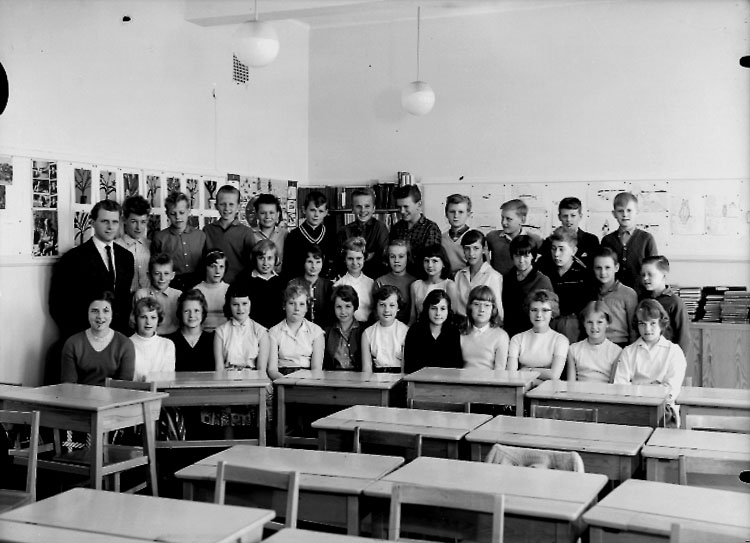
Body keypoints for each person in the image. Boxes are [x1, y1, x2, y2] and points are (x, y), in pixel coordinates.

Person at [50, 199, 135, 338]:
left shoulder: (126, 257)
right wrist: (79, 338)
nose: (110, 227)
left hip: (117, 336)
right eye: (104, 221)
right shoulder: (73, 258)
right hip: (84, 336)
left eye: (114, 222)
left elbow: (124, 300)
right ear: (93, 222)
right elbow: (57, 304)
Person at [614, 299, 687, 426]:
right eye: (642, 323)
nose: (647, 329)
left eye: (652, 323)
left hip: (664, 411)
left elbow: (671, 391)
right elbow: (620, 388)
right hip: (634, 408)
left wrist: (637, 387)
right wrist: (655, 387)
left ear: (661, 323)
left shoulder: (674, 351)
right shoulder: (628, 352)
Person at [60, 291, 135, 385]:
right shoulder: (72, 343)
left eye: (106, 311)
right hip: (79, 394)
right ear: (87, 313)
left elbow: (124, 387)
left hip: (114, 395)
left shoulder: (125, 344)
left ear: (112, 314)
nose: (100, 316)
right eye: (95, 311)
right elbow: (68, 386)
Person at [539, 227, 595, 343]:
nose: (556, 254)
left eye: (561, 249)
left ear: (573, 251)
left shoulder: (584, 273)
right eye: (553, 249)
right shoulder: (543, 267)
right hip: (546, 319)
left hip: (572, 324)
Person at [507, 289, 569, 385]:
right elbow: (511, 374)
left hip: (549, 390)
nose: (539, 315)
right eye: (534, 310)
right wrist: (540, 377)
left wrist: (529, 371)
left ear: (552, 313)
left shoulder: (560, 340)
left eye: (545, 310)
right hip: (521, 388)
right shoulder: (517, 339)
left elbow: (554, 375)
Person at [601, 192, 658, 291]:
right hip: (613, 294)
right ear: (614, 214)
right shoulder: (607, 240)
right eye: (620, 211)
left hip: (641, 294)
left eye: (629, 210)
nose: (625, 214)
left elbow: (654, 271)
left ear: (637, 212)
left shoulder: (647, 239)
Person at [267, 282, 325, 379]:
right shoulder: (274, 332)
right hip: (281, 377)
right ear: (284, 306)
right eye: (292, 303)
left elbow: (316, 368)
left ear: (307, 308)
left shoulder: (316, 331)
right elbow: (272, 370)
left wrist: (302, 383)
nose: (297, 308)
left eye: (301, 304)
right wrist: (285, 382)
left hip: (308, 378)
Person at [151, 191, 206, 291]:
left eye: (181, 212)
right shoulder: (160, 238)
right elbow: (155, 267)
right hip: (171, 285)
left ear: (188, 211)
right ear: (167, 214)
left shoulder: (200, 236)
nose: (177, 217)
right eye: (173, 213)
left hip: (198, 284)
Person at [502, 235, 553, 338]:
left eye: (526, 256)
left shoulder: (542, 281)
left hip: (533, 334)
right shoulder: (505, 278)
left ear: (533, 256)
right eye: (517, 256)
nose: (521, 260)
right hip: (508, 332)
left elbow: (548, 313)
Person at [203, 185, 255, 284]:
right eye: (222, 204)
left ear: (238, 206)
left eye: (231, 204)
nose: (227, 208)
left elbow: (251, 264)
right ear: (216, 206)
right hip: (213, 284)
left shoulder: (246, 232)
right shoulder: (207, 230)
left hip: (238, 285)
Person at [639, 256, 690, 356]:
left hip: (666, 356)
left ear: (664, 275)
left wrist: (678, 359)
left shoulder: (675, 302)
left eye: (650, 274)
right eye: (643, 274)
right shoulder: (642, 299)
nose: (645, 278)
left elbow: (683, 337)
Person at [213, 283, 270, 372]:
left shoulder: (261, 332)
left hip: (253, 378)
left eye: (244, 304)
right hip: (227, 377)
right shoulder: (221, 332)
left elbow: (261, 370)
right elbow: (219, 369)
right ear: (229, 305)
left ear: (251, 303)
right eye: (235, 304)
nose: (240, 309)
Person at [388, 185, 442, 278]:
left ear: (419, 204)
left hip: (421, 279)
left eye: (406, 206)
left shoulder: (430, 229)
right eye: (399, 207)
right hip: (398, 278)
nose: (402, 211)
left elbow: (431, 262)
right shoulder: (397, 227)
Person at [404, 289, 462, 373]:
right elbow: (409, 365)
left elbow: (456, 366)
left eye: (442, 309)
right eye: (433, 308)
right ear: (427, 309)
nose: (438, 313)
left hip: (446, 379)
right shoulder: (415, 330)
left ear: (448, 311)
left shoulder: (453, 332)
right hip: (419, 379)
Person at [282, 190, 336, 280]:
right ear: (304, 210)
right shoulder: (294, 236)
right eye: (312, 210)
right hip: (298, 284)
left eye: (321, 211)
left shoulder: (331, 235)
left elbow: (333, 264)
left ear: (326, 212)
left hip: (324, 284)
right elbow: (287, 268)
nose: (316, 215)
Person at [336, 187, 388, 279]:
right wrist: (368, 255)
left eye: (367, 206)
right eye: (358, 206)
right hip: (350, 279)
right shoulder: (344, 231)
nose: (363, 210)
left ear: (374, 208)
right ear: (352, 208)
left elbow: (382, 258)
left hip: (375, 278)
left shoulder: (381, 228)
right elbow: (340, 259)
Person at [538, 197, 600, 270]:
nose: (568, 220)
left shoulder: (591, 241)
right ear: (559, 217)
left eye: (573, 216)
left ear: (580, 216)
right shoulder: (550, 242)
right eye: (565, 216)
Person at [234, 239, 284, 329]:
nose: (265, 263)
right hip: (251, 330)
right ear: (254, 259)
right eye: (261, 258)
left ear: (276, 260)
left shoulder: (281, 282)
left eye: (270, 258)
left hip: (277, 330)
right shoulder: (244, 281)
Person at [567, 301, 622, 382]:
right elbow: (571, 383)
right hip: (579, 390)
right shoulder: (573, 349)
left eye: (599, 322)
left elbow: (613, 384)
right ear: (584, 323)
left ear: (607, 323)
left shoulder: (616, 352)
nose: (594, 327)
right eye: (590, 322)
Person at [592, 246, 637, 347]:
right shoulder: (591, 293)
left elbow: (634, 329)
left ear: (616, 267)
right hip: (595, 345)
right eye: (598, 268)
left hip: (620, 345)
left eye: (607, 267)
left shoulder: (628, 293)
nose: (603, 272)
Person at [453, 229, 503, 319]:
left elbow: (497, 311)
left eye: (476, 248)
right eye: (467, 248)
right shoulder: (460, 275)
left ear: (483, 249)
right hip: (460, 323)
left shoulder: (493, 276)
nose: (471, 253)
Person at [486, 199, 542, 276]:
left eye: (509, 219)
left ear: (522, 220)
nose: (503, 222)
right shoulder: (492, 237)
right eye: (502, 218)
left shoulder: (534, 239)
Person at [362, 285, 409, 374]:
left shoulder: (406, 332)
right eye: (382, 305)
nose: (387, 310)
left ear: (398, 307)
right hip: (375, 378)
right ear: (376, 306)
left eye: (392, 305)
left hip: (399, 378)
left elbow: (405, 369)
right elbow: (366, 369)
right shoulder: (367, 333)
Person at [459, 286, 509, 370]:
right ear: (470, 307)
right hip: (462, 377)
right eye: (476, 304)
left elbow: (500, 371)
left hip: (489, 378)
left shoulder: (501, 336)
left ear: (493, 309)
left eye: (487, 305)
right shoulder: (461, 332)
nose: (481, 309)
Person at [166, 289, 215, 372]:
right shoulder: (169, 342)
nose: (192, 315)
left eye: (196, 311)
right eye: (186, 311)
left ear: (203, 313)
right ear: (180, 313)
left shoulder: (213, 340)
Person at [408, 244, 458, 324]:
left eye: (434, 261)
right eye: (426, 261)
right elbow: (413, 316)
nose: (430, 265)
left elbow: (452, 315)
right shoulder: (415, 286)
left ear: (443, 263)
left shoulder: (449, 285)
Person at [129, 297, 175, 381]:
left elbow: (167, 378)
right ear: (135, 319)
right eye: (143, 317)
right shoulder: (127, 343)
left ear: (158, 319)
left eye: (153, 317)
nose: (148, 322)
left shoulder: (167, 344)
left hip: (160, 389)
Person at [133, 253, 181, 335]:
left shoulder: (178, 295)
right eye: (157, 273)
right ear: (149, 275)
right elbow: (135, 322)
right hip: (149, 336)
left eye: (166, 273)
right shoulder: (141, 295)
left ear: (172, 275)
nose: (162, 278)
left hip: (174, 336)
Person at [115, 195, 151, 293]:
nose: (138, 227)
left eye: (143, 222)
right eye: (134, 221)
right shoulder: (115, 246)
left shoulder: (151, 245)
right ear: (124, 220)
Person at [333, 236, 375, 323]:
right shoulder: (339, 285)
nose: (355, 263)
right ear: (345, 259)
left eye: (358, 258)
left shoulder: (371, 283)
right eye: (350, 259)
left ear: (364, 258)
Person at [374, 239, 416, 324]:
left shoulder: (414, 282)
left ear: (407, 257)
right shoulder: (380, 281)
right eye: (392, 256)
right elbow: (376, 313)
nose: (396, 260)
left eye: (401, 256)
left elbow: (414, 314)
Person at [323, 285, 364, 371]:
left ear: (354, 307)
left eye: (348, 306)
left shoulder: (363, 331)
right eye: (338, 307)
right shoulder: (327, 332)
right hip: (332, 376)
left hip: (358, 376)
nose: (343, 311)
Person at [249, 193, 288, 276]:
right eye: (263, 213)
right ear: (256, 214)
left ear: (278, 214)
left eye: (271, 212)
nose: (267, 216)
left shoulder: (285, 234)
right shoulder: (249, 234)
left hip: (280, 279)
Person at [296, 246, 333, 327]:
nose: (314, 266)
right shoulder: (294, 284)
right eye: (310, 262)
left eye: (318, 262)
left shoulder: (329, 286)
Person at [193, 249, 229, 332]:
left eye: (221, 267)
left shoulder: (229, 289)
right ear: (206, 267)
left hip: (226, 334)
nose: (217, 271)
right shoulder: (196, 290)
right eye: (213, 266)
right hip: (202, 334)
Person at [441, 194, 472, 274]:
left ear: (468, 214)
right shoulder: (441, 239)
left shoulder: (475, 238)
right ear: (446, 214)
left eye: (461, 212)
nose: (456, 216)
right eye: (452, 212)